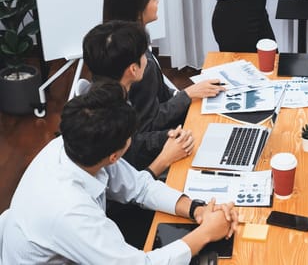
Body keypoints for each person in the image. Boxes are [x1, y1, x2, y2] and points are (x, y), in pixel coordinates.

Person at [0, 81, 238, 264]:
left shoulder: (74, 145)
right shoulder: (70, 211)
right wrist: (206, 233)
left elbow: (140, 187)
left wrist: (197, 209)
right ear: (115, 155)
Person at [83, 20, 194, 248]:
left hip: (131, 188)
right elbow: (125, 192)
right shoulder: (109, 119)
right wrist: (165, 157)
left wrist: (166, 138)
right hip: (120, 217)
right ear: (133, 69)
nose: (148, 59)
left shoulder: (106, 99)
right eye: (144, 55)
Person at [103, 0, 224, 133]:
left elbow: (157, 96)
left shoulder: (116, 45)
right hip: (164, 138)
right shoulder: (140, 64)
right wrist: (187, 95)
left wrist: (185, 94)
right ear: (138, 10)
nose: (157, 1)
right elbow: (148, 123)